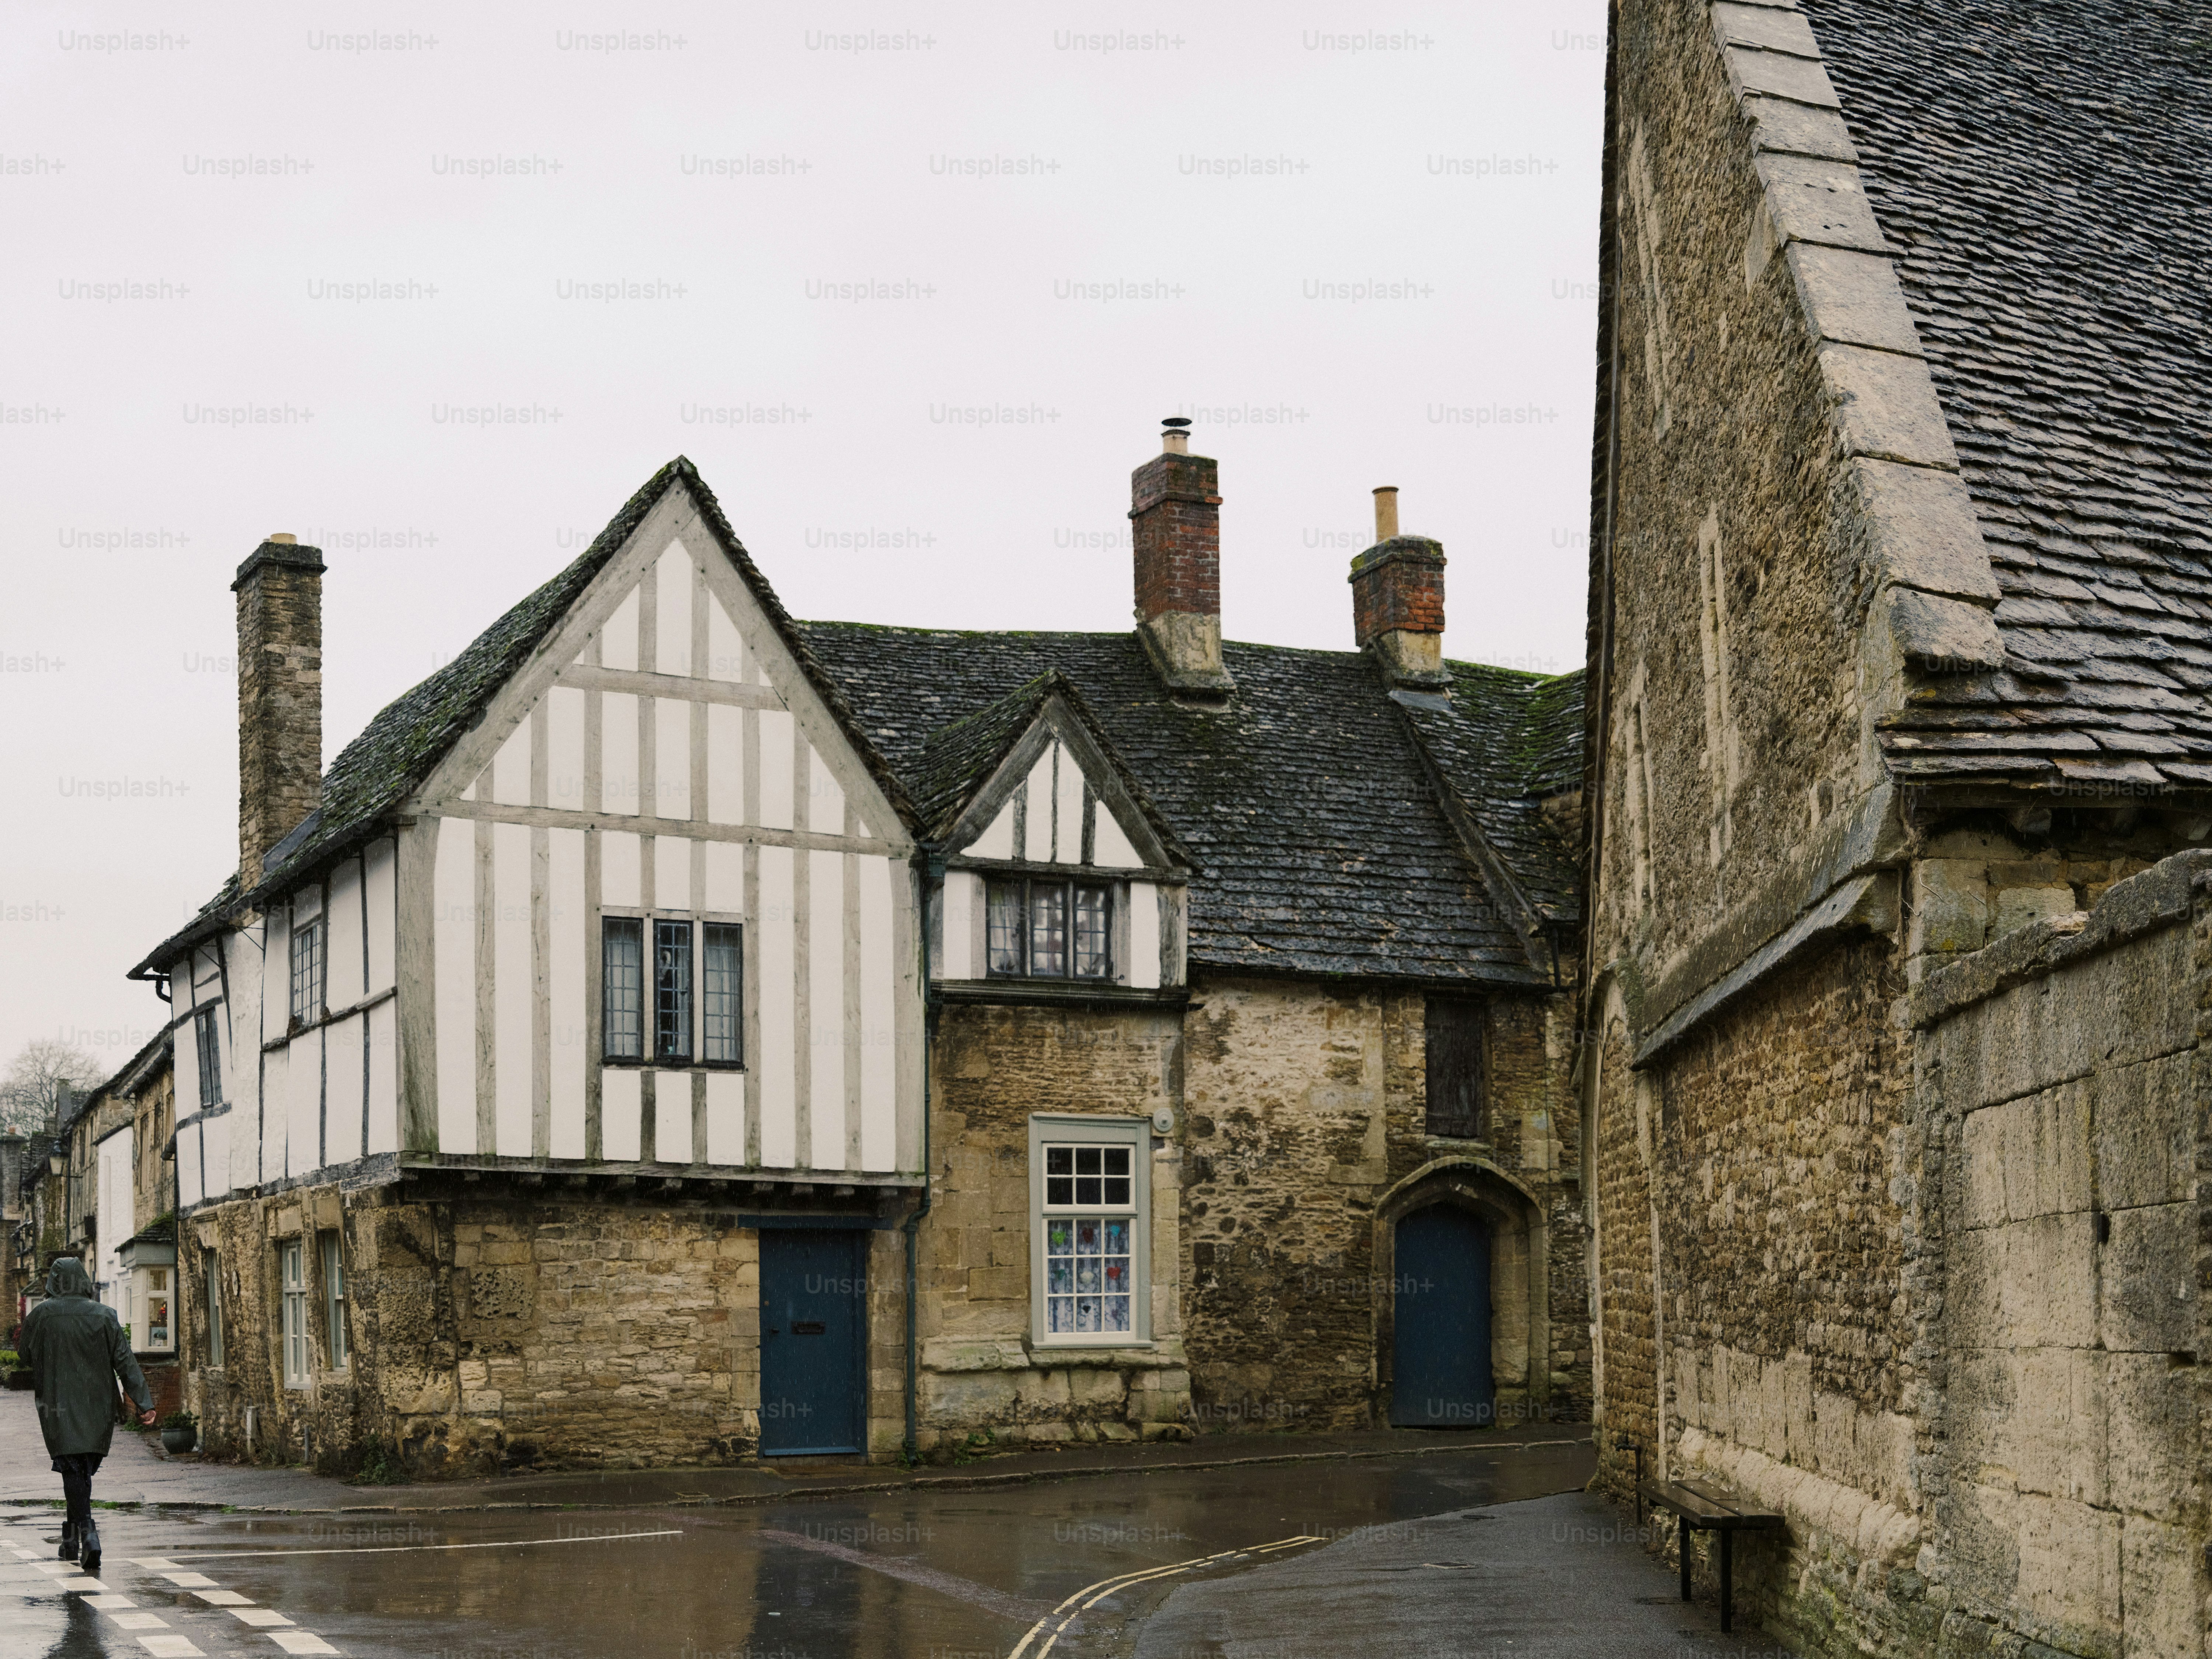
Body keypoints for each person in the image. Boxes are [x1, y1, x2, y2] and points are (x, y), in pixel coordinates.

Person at [20, 1258, 155, 1572]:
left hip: (58, 1404)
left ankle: (88, 1534)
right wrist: (144, 1403)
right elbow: (125, 1362)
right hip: (98, 1406)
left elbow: (25, 1354)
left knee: (72, 1468)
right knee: (81, 1469)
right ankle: (70, 1540)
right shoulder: (105, 1316)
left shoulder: (41, 1315)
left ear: (53, 1282)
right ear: (83, 1280)